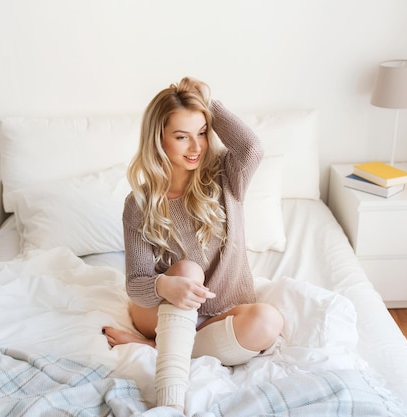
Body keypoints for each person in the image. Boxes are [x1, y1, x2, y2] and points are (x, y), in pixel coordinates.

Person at [102, 77, 284, 412]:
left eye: (201, 132)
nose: (195, 146)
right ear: (159, 139)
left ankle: (157, 349)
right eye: (182, 136)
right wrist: (166, 285)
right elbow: (137, 284)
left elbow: (251, 148)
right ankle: (170, 404)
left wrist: (206, 101)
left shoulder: (226, 178)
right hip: (161, 308)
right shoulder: (140, 203)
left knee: (269, 321)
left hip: (224, 311)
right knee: (186, 270)